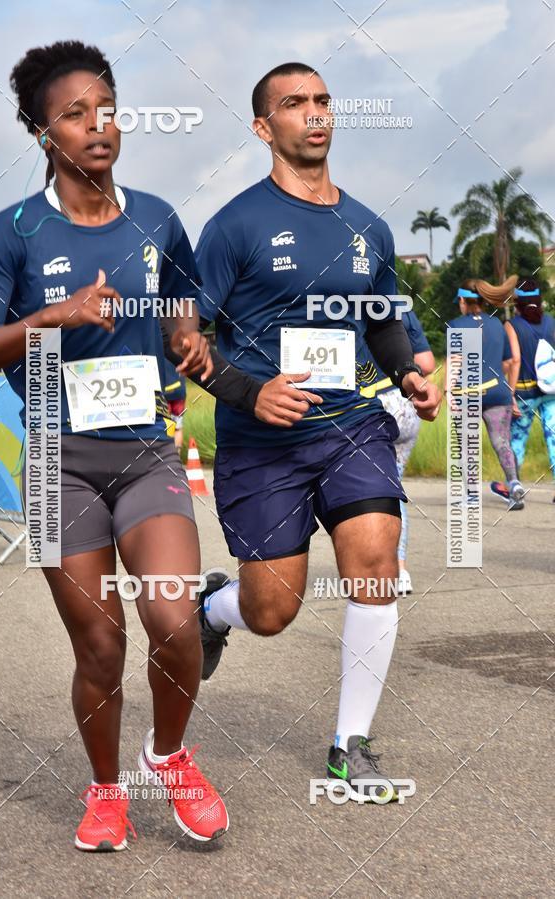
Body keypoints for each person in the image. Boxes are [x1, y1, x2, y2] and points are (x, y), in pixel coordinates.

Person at [0, 40, 243, 851]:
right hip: (55, 460)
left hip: (147, 449)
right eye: (75, 114)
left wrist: (187, 339)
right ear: (44, 135)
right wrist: (53, 315)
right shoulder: (14, 232)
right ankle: (106, 789)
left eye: (107, 109)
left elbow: (183, 303)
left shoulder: (157, 219)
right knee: (101, 641)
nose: (97, 126)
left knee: (176, 617)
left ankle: (170, 756)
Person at [194, 62, 441, 800]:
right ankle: (214, 607)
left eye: (323, 101)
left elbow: (384, 320)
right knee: (274, 609)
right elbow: (186, 339)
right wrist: (247, 390)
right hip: (262, 441)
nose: (314, 113)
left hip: (349, 428)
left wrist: (408, 377)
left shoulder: (368, 226)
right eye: (294, 104)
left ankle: (349, 743)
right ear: (264, 127)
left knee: (375, 559)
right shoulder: (233, 225)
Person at [359, 310, 435, 594]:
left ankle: (382, 567)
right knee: (394, 487)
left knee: (373, 491)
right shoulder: (402, 311)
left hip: (372, 404)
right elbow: (426, 362)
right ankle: (401, 569)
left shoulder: (341, 301)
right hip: (406, 403)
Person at [448, 279, 525, 510]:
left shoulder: (456, 324)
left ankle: (471, 497)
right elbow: (509, 361)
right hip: (498, 392)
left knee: (467, 446)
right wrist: (509, 392)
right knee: (502, 442)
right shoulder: (497, 324)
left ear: (462, 300)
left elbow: (455, 362)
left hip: (467, 394)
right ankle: (514, 484)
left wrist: (449, 392)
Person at [499, 278, 555, 503]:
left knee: (517, 440)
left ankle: (515, 490)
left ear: (517, 303)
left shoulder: (512, 325)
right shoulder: (552, 322)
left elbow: (514, 360)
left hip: (524, 393)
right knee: (553, 439)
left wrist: (509, 394)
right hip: (551, 392)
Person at [162, 359, 187, 452]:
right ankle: (177, 458)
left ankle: (167, 457)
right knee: (178, 427)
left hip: (164, 392)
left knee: (166, 426)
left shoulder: (156, 349)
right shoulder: (178, 347)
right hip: (179, 391)